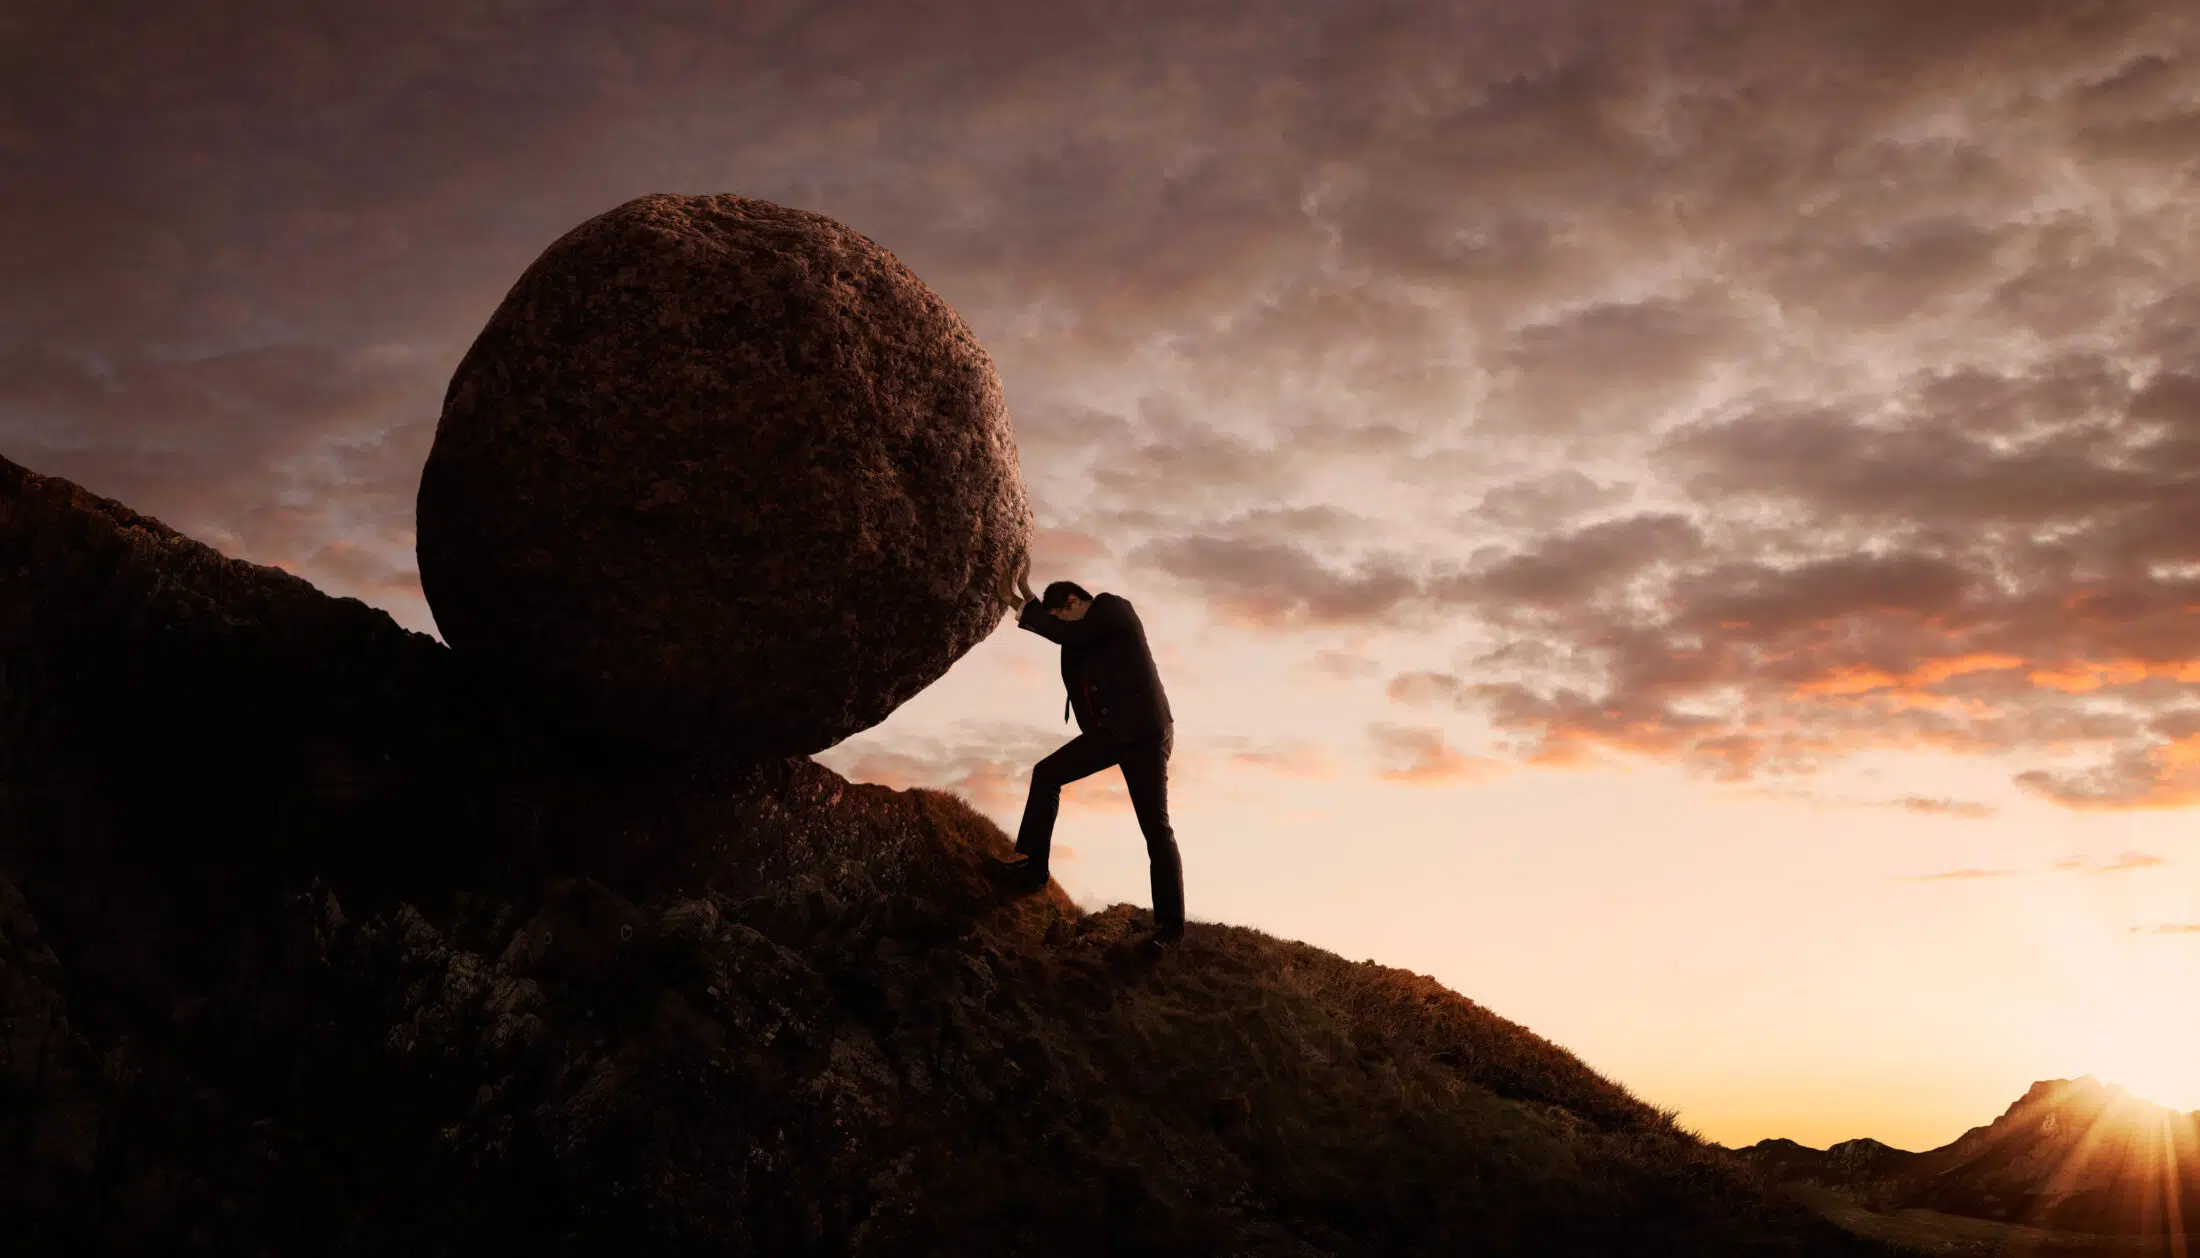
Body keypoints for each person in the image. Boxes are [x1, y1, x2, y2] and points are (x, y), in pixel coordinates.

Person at [991, 555, 1185, 946]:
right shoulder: (1080, 636)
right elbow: (1066, 639)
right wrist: (1029, 595)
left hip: (1145, 732)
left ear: (1077, 602)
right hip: (1114, 733)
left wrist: (1019, 602)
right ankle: (1033, 870)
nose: (1060, 626)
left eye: (1062, 616)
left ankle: (1170, 930)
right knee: (1047, 774)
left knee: (1156, 830)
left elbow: (1068, 635)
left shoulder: (1113, 608)